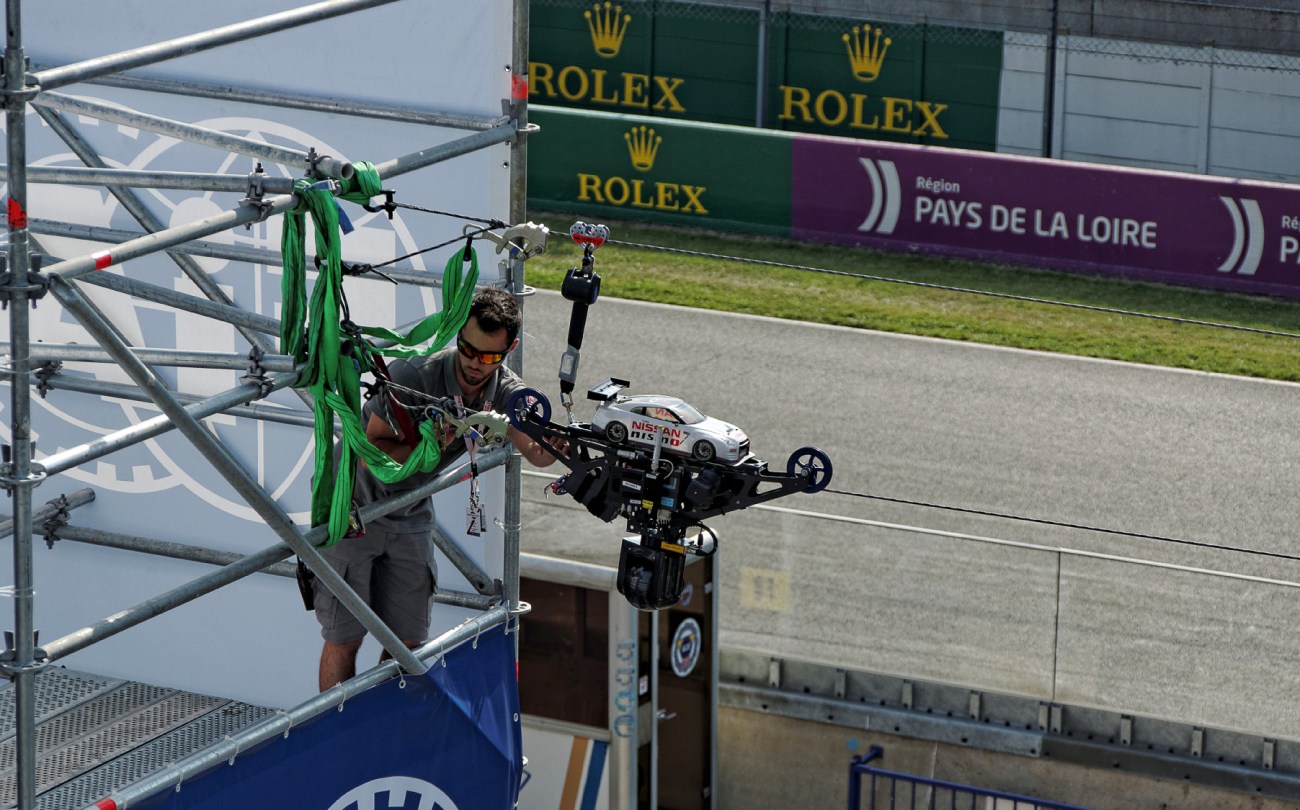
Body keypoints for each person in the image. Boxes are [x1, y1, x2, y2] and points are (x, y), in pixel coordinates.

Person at [315, 286, 561, 690]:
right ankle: (334, 733)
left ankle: (381, 722)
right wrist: (431, 446)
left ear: (508, 350)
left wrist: (556, 445)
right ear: (457, 336)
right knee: (345, 638)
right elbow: (369, 452)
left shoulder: (504, 390)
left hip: (410, 511)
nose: (474, 364)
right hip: (354, 510)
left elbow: (535, 452)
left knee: (409, 641)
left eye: (489, 357)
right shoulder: (414, 375)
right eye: (467, 348)